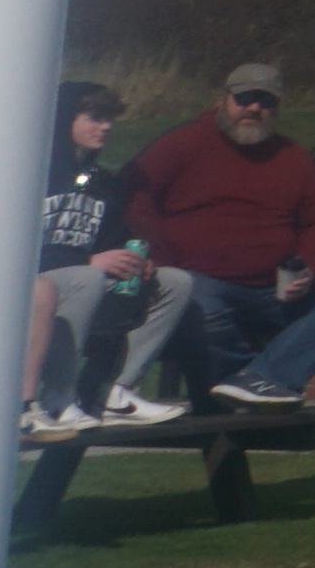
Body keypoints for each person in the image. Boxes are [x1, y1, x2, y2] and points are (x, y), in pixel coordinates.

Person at [123, 64, 315, 412]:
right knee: (197, 301)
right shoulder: (183, 143)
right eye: (244, 98)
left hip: (274, 287)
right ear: (223, 99)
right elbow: (135, 195)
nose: (254, 108)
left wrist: (309, 269)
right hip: (201, 281)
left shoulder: (293, 157)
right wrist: (162, 261)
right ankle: (233, 387)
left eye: (265, 102)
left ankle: (265, 378)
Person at [21, 82, 190, 439]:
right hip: (35, 285)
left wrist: (134, 260)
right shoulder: (32, 173)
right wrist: (89, 260)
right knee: (88, 277)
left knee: (175, 282)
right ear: (65, 119)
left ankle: (114, 391)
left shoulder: (103, 183)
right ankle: (57, 396)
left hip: (85, 279)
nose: (106, 127)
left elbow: (114, 236)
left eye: (110, 119)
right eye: (95, 118)